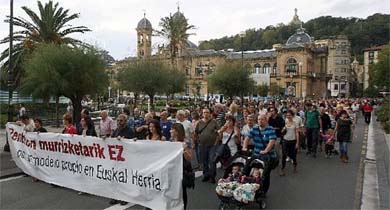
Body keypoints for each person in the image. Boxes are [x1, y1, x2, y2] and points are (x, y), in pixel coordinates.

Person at [243, 114, 277, 195]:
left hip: (268, 155)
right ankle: (246, 185)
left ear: (266, 120)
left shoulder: (270, 129)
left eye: (262, 119)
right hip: (256, 153)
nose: (260, 121)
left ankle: (263, 191)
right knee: (247, 167)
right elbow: (247, 138)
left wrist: (266, 150)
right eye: (258, 119)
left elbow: (272, 141)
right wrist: (244, 147)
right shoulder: (254, 129)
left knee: (265, 173)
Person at [109, 114, 134, 205]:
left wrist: (124, 140)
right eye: (118, 120)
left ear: (125, 121)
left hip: (125, 159)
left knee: (124, 179)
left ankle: (125, 197)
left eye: (121, 121)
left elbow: (133, 143)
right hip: (116, 158)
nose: (119, 122)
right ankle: (116, 196)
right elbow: (111, 140)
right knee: (115, 178)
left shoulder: (129, 131)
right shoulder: (116, 130)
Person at [170, 123, 193, 210]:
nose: (170, 130)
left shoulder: (186, 141)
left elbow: (189, 158)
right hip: (173, 168)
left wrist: (184, 150)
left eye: (172, 129)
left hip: (183, 168)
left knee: (182, 191)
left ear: (177, 131)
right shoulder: (171, 140)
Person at [195, 108, 219, 184]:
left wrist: (216, 142)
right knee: (204, 161)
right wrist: (197, 141)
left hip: (212, 145)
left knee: (212, 161)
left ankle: (212, 176)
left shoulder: (214, 122)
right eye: (204, 112)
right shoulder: (199, 123)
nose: (206, 114)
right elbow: (196, 133)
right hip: (202, 145)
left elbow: (219, 132)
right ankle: (206, 175)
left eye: (207, 112)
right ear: (202, 114)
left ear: (210, 113)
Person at [280, 110, 299, 176]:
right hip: (285, 140)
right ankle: (283, 170)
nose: (288, 116)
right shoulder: (285, 121)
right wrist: (283, 129)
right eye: (287, 115)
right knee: (284, 155)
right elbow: (282, 131)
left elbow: (297, 133)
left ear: (292, 116)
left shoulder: (295, 123)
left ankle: (295, 166)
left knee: (293, 155)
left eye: (289, 115)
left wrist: (297, 143)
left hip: (293, 141)